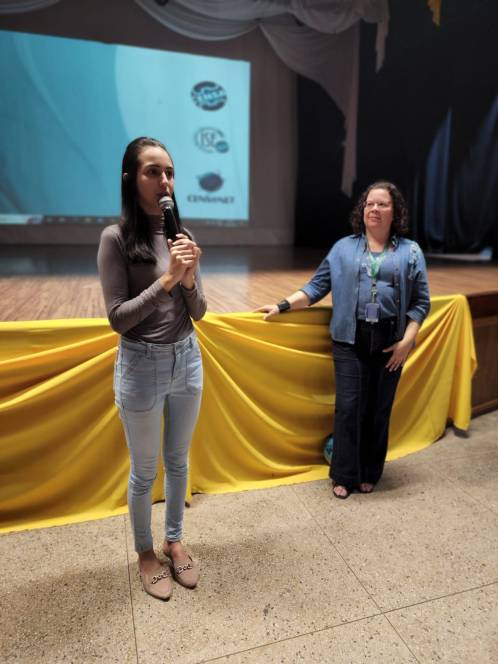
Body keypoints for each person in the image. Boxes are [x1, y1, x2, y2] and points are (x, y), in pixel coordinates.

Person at [256, 181, 430, 499]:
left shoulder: (411, 252)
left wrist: (408, 340)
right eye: (369, 204)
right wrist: (282, 305)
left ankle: (370, 472)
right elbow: (316, 287)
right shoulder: (343, 248)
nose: (374, 209)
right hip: (350, 339)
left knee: (378, 409)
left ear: (395, 212)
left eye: (382, 204)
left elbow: (421, 302)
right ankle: (344, 474)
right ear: (362, 211)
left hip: (392, 341)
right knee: (349, 408)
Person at [97, 137, 207, 599]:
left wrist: (189, 278)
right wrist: (167, 280)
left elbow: (199, 311)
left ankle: (173, 540)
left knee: (179, 462)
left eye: (170, 172)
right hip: (141, 366)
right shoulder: (116, 238)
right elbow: (118, 318)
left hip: (187, 360)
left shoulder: (181, 235)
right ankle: (145, 552)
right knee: (145, 472)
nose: (165, 181)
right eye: (153, 171)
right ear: (130, 178)